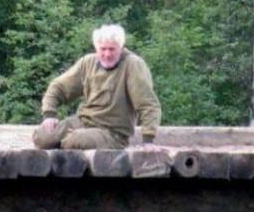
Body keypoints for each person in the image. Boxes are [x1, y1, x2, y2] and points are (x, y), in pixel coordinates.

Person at [32, 23, 161, 150]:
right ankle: (65, 142)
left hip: (112, 132)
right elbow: (59, 86)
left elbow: (148, 104)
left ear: (121, 48)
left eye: (112, 49)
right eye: (103, 49)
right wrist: (49, 114)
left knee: (75, 140)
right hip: (83, 122)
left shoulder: (133, 65)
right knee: (42, 137)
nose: (107, 54)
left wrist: (148, 139)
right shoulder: (88, 62)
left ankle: (67, 144)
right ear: (96, 48)